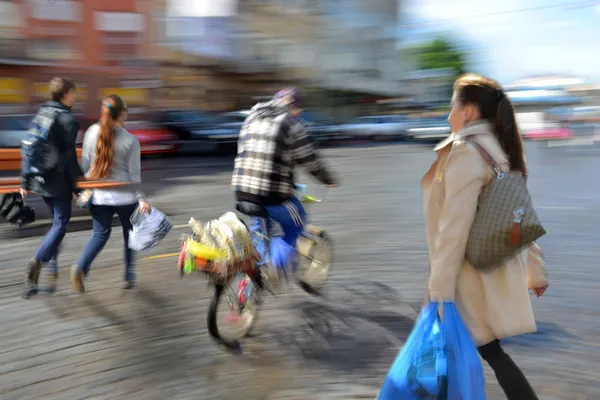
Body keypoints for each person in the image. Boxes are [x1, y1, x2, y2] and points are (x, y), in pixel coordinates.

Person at [422, 73, 549, 399]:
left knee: (450, 353)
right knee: (485, 351)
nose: (448, 114)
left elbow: (454, 227)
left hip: (466, 277)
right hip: (488, 272)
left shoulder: (467, 151)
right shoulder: (499, 150)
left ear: (468, 111)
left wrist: (439, 290)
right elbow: (518, 215)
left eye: (452, 106)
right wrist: (535, 271)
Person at [232, 88, 336, 273]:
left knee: (260, 231)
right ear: (294, 107)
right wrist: (327, 179)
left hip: (242, 190)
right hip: (271, 194)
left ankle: (253, 280)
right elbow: (309, 158)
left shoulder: (251, 118)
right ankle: (274, 269)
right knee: (296, 225)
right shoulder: (290, 123)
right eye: (299, 110)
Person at [71, 95, 150, 293]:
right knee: (131, 234)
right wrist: (141, 199)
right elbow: (134, 174)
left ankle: (81, 267)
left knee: (100, 234)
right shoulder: (130, 140)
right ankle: (129, 274)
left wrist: (82, 190)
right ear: (122, 114)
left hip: (98, 196)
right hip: (125, 197)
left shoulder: (91, 132)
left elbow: (86, 165)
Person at [21, 77, 83, 298]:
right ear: (65, 94)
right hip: (57, 182)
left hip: (40, 180)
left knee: (55, 225)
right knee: (60, 224)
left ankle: (53, 268)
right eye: (73, 93)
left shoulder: (42, 113)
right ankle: (38, 260)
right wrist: (80, 187)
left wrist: (25, 180)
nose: (75, 97)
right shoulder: (67, 120)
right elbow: (69, 159)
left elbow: (28, 146)